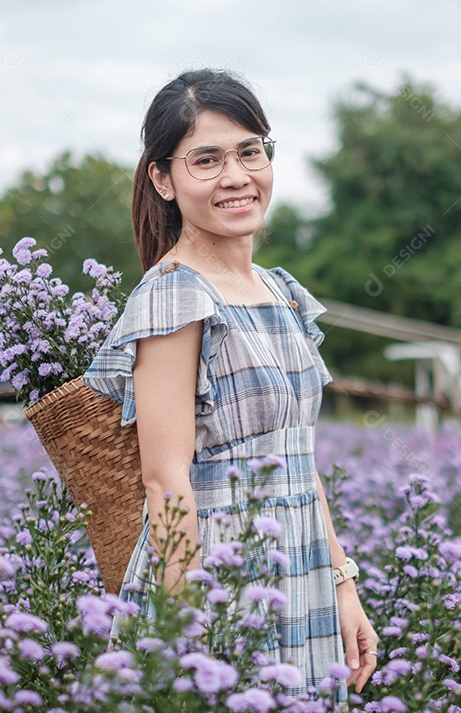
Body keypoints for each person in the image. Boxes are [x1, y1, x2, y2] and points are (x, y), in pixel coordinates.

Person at [83, 69, 378, 703]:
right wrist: (191, 625)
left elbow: (298, 457)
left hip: (298, 570)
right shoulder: (174, 296)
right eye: (207, 160)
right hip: (220, 577)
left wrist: (342, 583)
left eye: (250, 151)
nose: (238, 176)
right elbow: (167, 481)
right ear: (163, 179)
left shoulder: (282, 290)